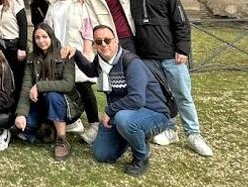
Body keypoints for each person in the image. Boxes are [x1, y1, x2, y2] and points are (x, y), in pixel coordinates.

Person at [127, 0, 212, 157]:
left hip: (171, 56)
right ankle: (169, 129)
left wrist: (182, 49)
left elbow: (181, 22)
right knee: (161, 96)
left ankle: (193, 134)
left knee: (183, 95)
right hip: (147, 56)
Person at [67, 25, 174, 176]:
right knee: (102, 154)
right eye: (98, 41)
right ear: (95, 45)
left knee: (123, 119)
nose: (103, 44)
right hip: (125, 113)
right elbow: (90, 70)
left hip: (154, 113)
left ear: (116, 40)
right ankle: (130, 136)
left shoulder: (131, 62)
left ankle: (142, 156)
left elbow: (136, 99)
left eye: (107, 40)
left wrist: (110, 111)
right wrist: (76, 54)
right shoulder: (101, 61)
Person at [45, 0, 100, 143]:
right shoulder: (53, 6)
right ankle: (73, 121)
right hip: (58, 54)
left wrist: (86, 49)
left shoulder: (80, 4)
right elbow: (47, 28)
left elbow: (87, 28)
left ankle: (94, 125)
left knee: (83, 87)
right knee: (65, 88)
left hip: (76, 51)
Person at [14, 23, 75, 161]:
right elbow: (26, 86)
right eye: (37, 37)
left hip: (62, 103)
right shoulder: (31, 57)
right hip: (39, 103)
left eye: (44, 37)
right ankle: (46, 125)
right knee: (24, 127)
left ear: (51, 37)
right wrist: (21, 114)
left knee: (52, 95)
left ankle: (61, 139)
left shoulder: (64, 54)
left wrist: (40, 86)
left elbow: (68, 84)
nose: (41, 41)